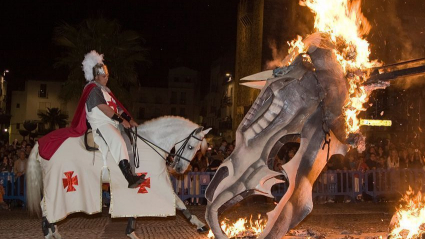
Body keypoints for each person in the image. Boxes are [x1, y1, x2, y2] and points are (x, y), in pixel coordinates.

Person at [82, 51, 145, 188]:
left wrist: (130, 119)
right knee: (118, 140)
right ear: (97, 76)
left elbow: (118, 108)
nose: (106, 79)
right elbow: (104, 108)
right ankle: (129, 178)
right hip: (101, 124)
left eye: (108, 76)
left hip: (112, 122)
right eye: (104, 76)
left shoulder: (106, 91)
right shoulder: (93, 90)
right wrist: (122, 121)